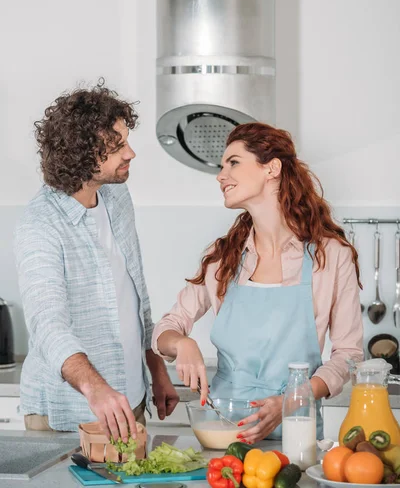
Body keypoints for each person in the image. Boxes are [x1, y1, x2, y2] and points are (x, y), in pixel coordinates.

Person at [152, 122, 363, 443]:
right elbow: (166, 329)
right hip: (223, 433)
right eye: (222, 167)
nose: (221, 176)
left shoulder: (330, 256)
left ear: (272, 168)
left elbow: (348, 354)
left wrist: (295, 398)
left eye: (233, 162)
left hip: (296, 432)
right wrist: (182, 343)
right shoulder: (221, 257)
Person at [15, 84, 179, 440]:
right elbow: (47, 325)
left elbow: (137, 297)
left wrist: (156, 369)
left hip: (129, 402)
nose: (131, 153)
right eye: (117, 145)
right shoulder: (40, 225)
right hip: (72, 414)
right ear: (81, 152)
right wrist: (95, 389)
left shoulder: (117, 197)